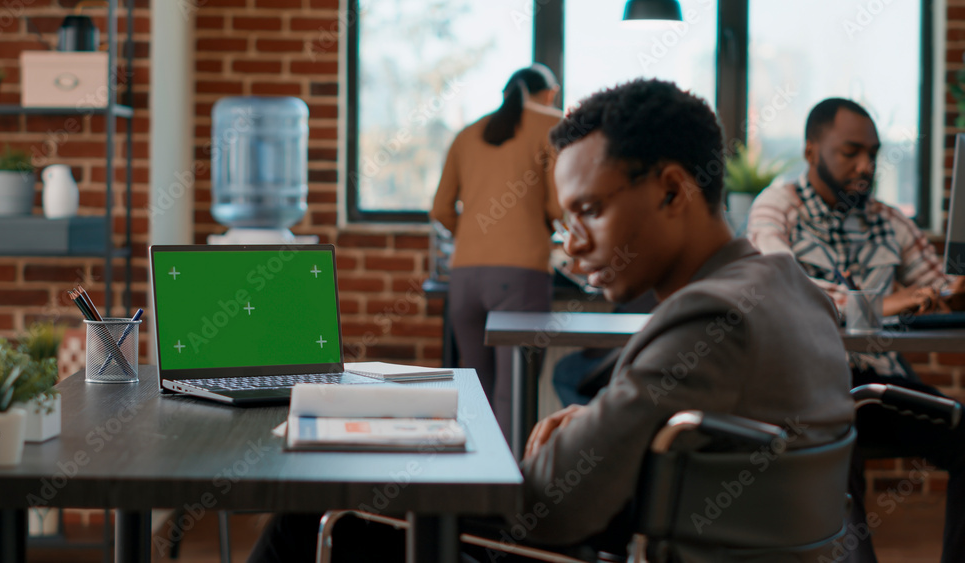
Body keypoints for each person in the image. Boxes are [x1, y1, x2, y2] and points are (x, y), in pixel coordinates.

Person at [248, 79, 854, 563]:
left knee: (321, 510)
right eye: (567, 220)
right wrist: (606, 420)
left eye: (590, 210)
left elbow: (550, 507)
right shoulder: (792, 288)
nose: (572, 246)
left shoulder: (706, 317)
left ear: (673, 191)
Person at [746, 97, 965, 563]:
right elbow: (784, 286)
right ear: (811, 152)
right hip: (805, 389)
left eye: (873, 153)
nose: (866, 166)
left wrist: (954, 291)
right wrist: (884, 304)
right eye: (851, 152)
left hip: (879, 388)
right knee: (833, 443)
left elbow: (938, 288)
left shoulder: (889, 221)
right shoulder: (777, 206)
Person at [430, 63, 563, 436]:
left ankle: (473, 485)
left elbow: (441, 209)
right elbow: (558, 206)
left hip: (465, 278)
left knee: (475, 392)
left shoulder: (466, 134)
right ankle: (509, 490)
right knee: (513, 395)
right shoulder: (552, 123)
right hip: (520, 277)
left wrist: (472, 235)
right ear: (550, 93)